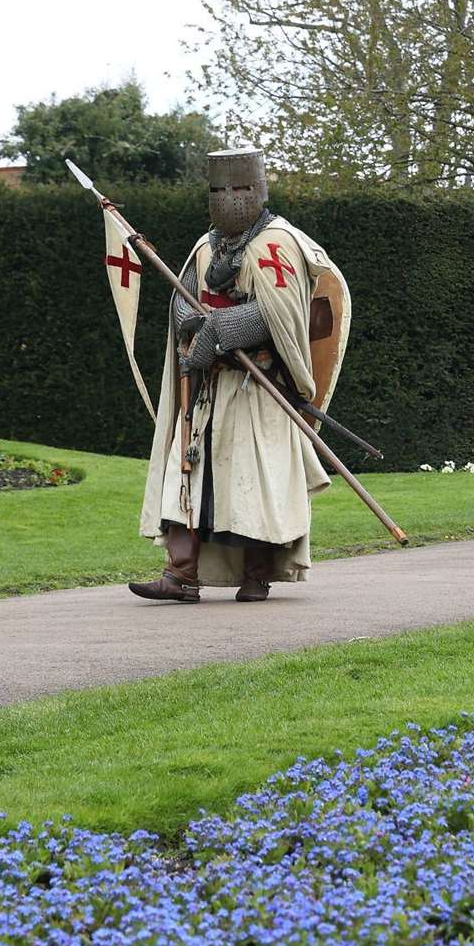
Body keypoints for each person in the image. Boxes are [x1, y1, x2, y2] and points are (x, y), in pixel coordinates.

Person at [130, 147, 341, 604]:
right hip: (210, 387)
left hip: (259, 388)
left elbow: (282, 313)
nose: (230, 198)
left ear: (258, 189)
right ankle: (180, 575)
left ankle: (256, 575)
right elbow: (183, 298)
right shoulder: (207, 245)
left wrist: (225, 327)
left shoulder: (278, 241)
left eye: (240, 188)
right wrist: (193, 322)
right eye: (219, 190)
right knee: (185, 476)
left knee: (254, 486)